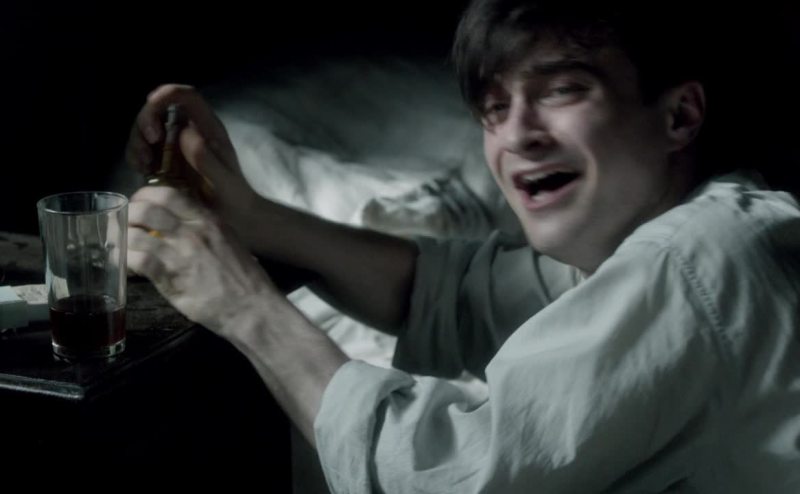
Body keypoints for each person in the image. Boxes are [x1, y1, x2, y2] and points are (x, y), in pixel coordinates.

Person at [124, 1, 800, 491]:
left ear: (679, 115)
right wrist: (251, 217)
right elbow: (457, 295)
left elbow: (446, 474)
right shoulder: (702, 233)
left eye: (562, 90)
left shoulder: (699, 257)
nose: (517, 135)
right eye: (495, 108)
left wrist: (244, 306)